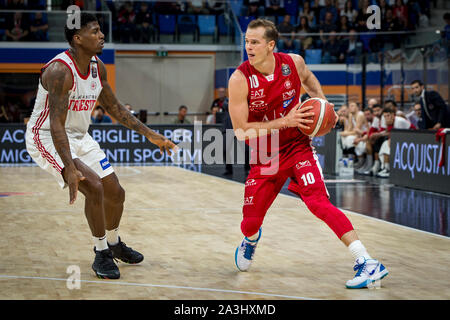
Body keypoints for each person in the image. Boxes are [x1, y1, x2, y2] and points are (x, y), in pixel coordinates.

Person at [228, 19, 388, 289]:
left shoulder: (293, 63)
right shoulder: (239, 79)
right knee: (249, 224)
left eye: (254, 42)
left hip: (297, 147)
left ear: (270, 45)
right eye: (246, 41)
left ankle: (367, 262)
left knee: (318, 203)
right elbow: (241, 132)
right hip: (265, 156)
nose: (248, 47)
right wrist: (284, 122)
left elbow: (310, 80)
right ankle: (251, 240)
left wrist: (324, 105)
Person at [25, 13, 177, 280]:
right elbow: (57, 125)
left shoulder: (98, 67)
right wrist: (68, 167)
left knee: (116, 192)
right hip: (47, 135)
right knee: (93, 186)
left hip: (79, 136)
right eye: (94, 31)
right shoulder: (59, 71)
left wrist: (151, 135)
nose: (101, 35)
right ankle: (101, 252)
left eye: (100, 30)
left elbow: (115, 108)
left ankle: (115, 242)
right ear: (77, 38)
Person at [376, 107, 415, 178]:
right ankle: (386, 168)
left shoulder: (399, 121)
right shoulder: (386, 121)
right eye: (385, 116)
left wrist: (381, 134)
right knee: (385, 144)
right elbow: (389, 132)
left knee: (388, 143)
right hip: (400, 138)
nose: (386, 118)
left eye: (388, 115)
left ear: (393, 115)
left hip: (411, 137)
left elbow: (396, 135)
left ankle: (388, 169)